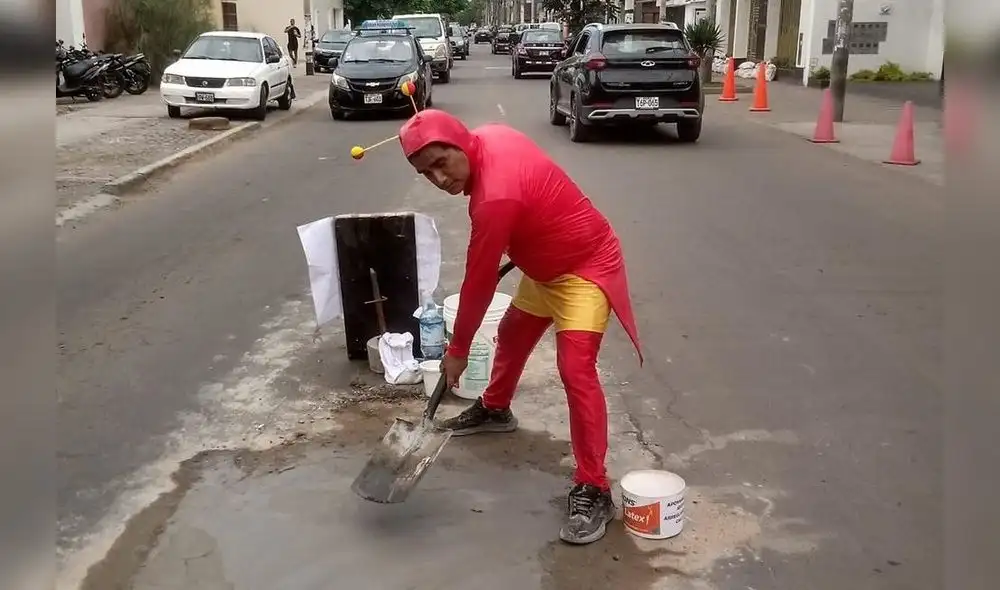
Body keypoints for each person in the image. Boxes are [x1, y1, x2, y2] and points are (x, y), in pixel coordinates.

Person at [398, 110, 643, 546]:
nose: (438, 178)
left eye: (442, 162)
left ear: (460, 142)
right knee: (511, 333)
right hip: (543, 268)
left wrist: (457, 349)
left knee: (576, 371)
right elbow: (537, 197)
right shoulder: (490, 135)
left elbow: (476, 281)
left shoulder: (493, 198)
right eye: (425, 172)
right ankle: (495, 408)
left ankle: (595, 487)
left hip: (584, 269)